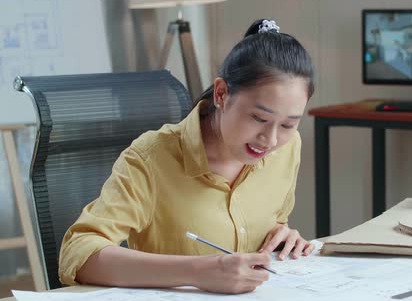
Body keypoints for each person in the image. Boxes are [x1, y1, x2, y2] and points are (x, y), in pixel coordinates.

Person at [58, 19, 315, 294]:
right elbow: (78, 254)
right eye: (259, 118)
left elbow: (273, 219)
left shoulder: (286, 149)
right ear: (221, 94)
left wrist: (281, 236)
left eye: (288, 124)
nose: (272, 139)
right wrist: (197, 272)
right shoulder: (150, 159)